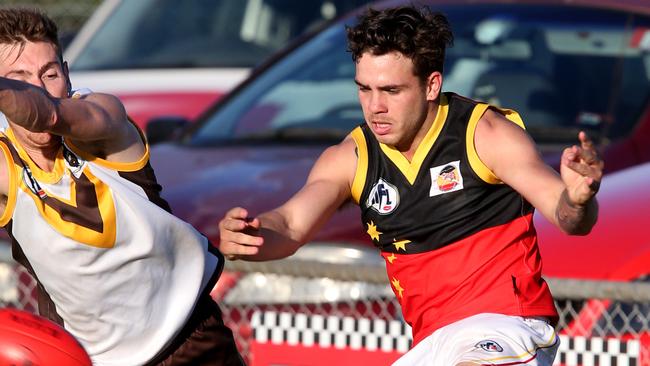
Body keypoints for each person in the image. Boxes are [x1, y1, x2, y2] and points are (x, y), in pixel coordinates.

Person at [219, 5, 603, 366]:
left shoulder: (484, 134)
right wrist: (251, 235)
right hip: (432, 342)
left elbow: (568, 216)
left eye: (391, 91)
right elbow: (289, 224)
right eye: (364, 89)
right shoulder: (352, 156)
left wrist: (578, 197)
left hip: (506, 325)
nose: (374, 107)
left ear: (431, 85)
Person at [0, 7, 243, 366]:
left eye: (49, 74)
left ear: (66, 74)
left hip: (188, 340)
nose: (37, 87)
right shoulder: (7, 164)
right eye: (18, 77)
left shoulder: (102, 117)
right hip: (93, 359)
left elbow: (49, 113)